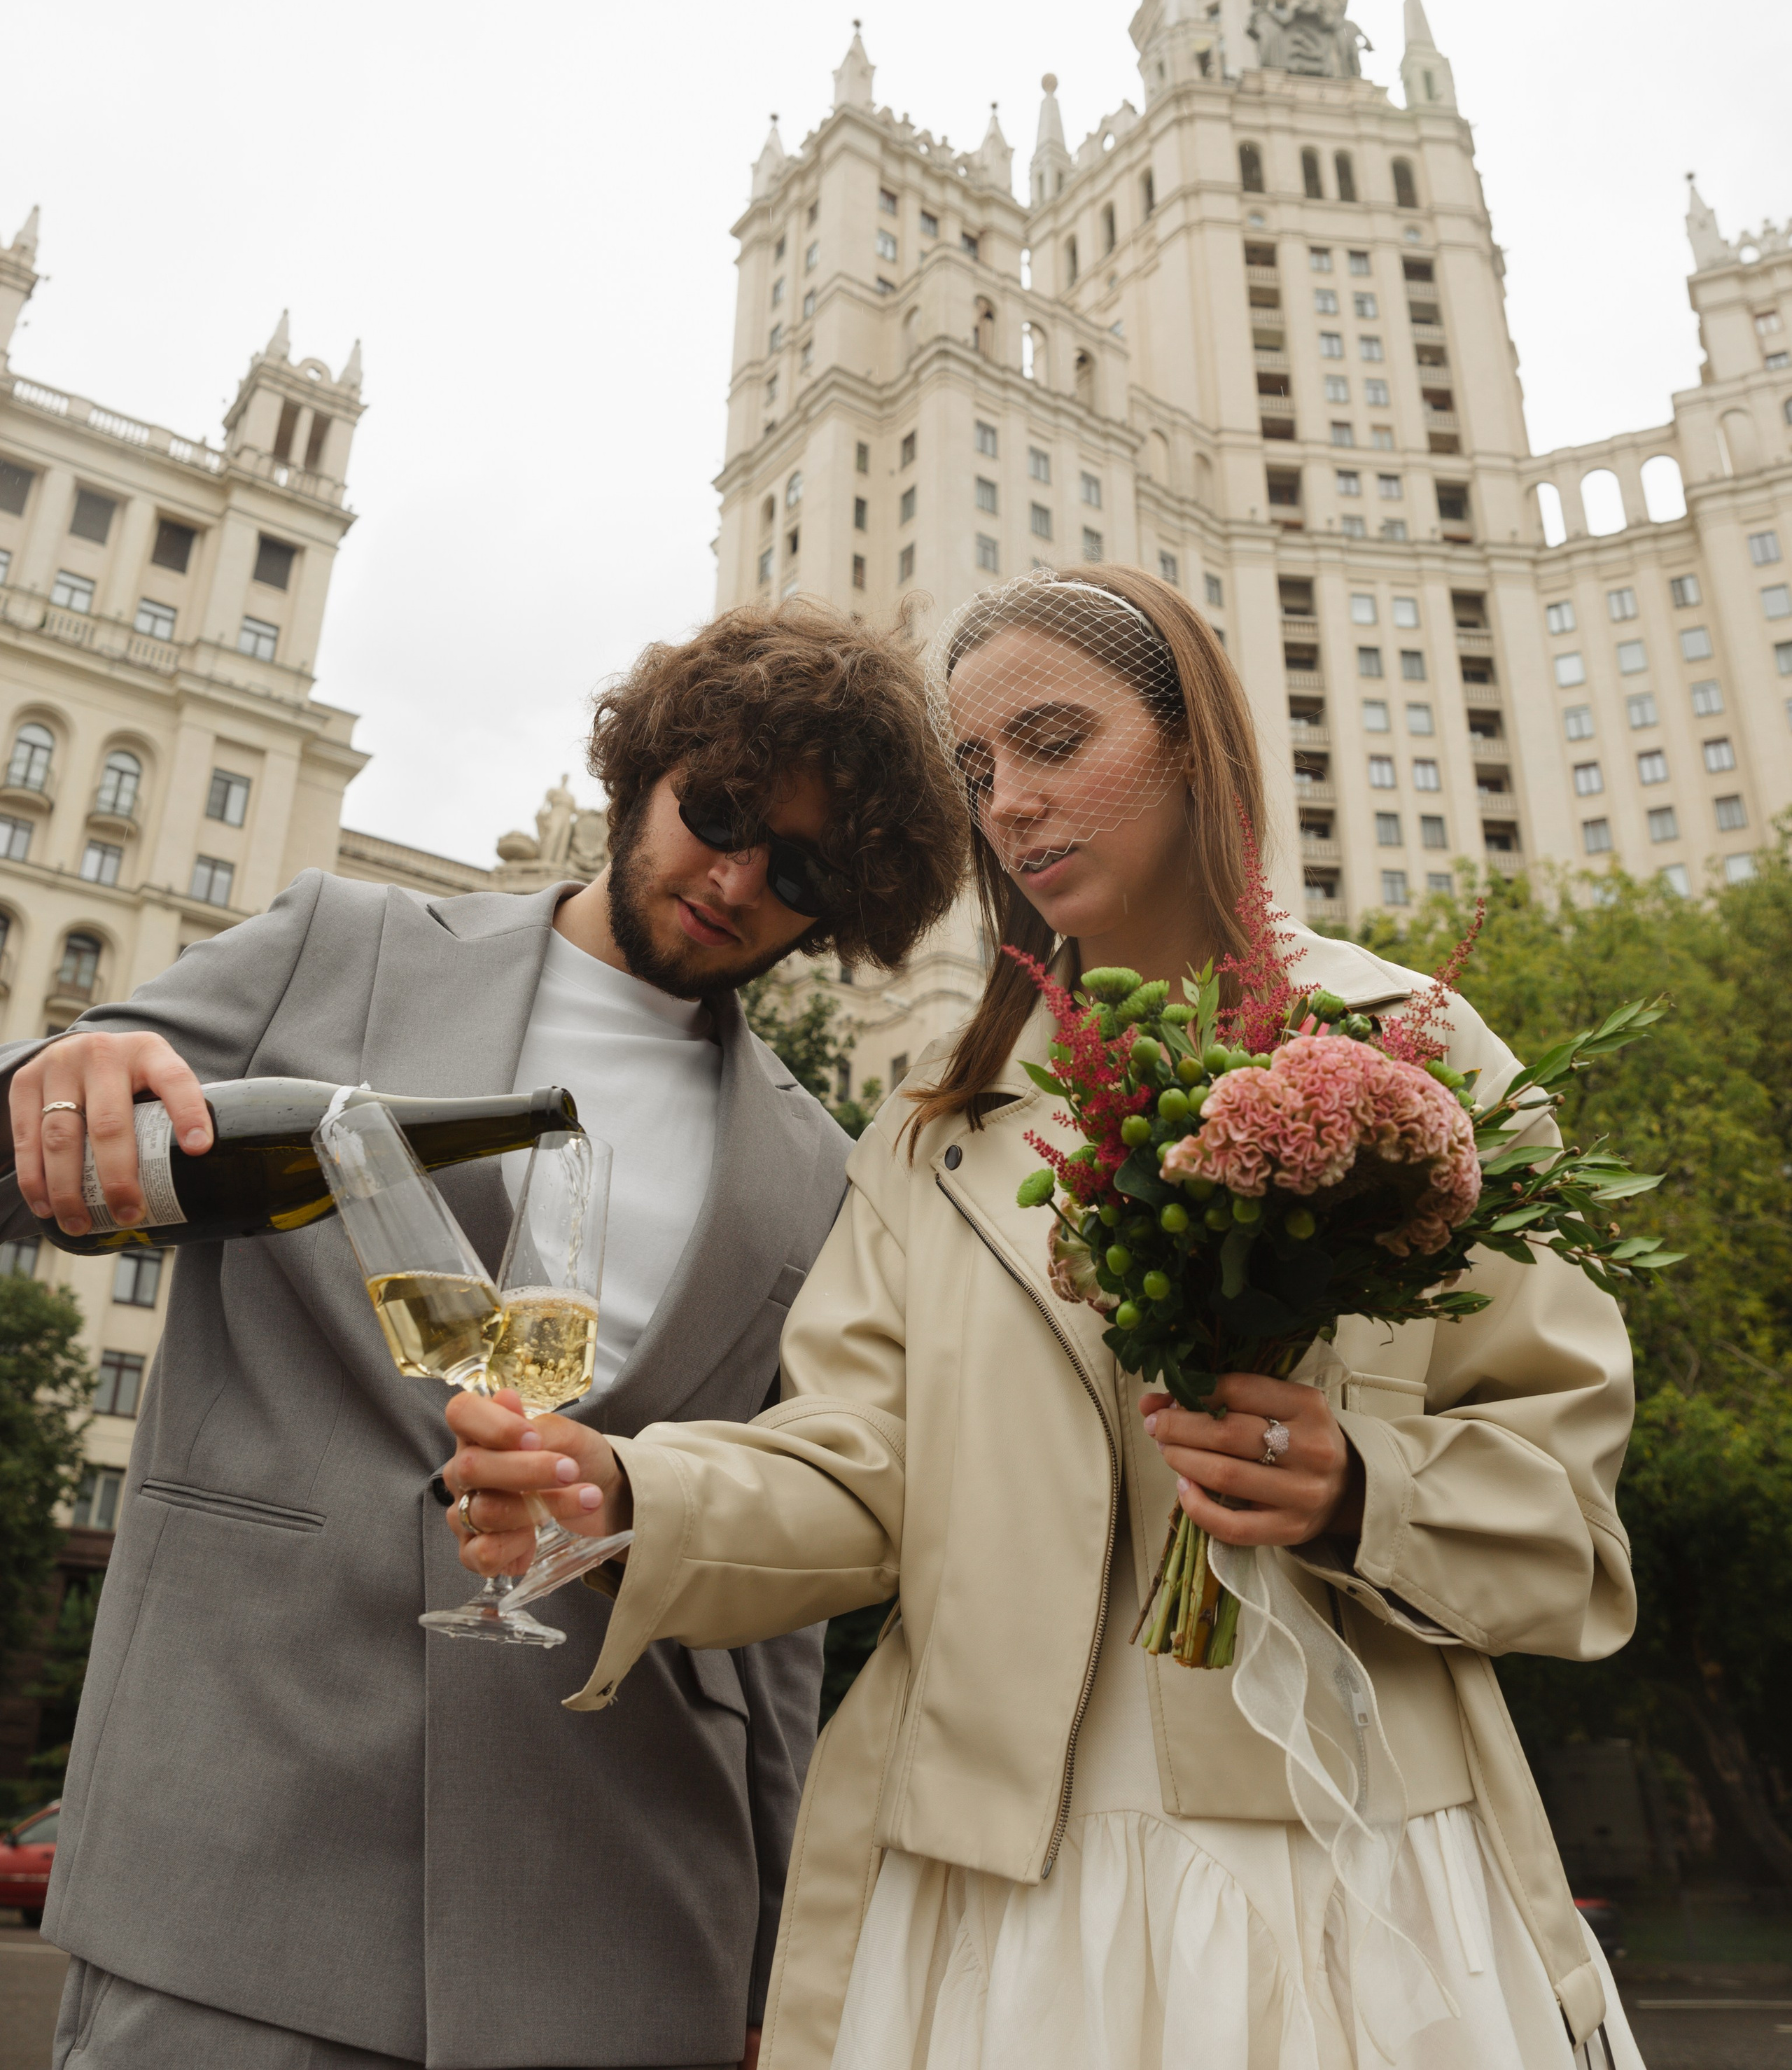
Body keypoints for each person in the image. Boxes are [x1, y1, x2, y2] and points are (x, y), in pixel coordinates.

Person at [447, 566, 1646, 2070]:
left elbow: (1566, 1513)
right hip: (985, 1884)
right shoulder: (933, 1129)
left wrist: (1357, 1491)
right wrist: (621, 1491)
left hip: (1347, 1862)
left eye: (1053, 741)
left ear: (1195, 743)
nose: (1005, 802)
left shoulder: (1414, 1050)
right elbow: (853, 1471)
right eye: (975, 769)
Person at [6, 600, 967, 2070]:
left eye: (804, 867)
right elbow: (39, 1177)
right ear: (640, 766)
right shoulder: (339, 944)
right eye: (716, 810)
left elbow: (785, 1606)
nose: (734, 876)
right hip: (237, 1836)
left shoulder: (819, 1170)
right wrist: (62, 1073)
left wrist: (771, 1954)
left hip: (624, 1905)